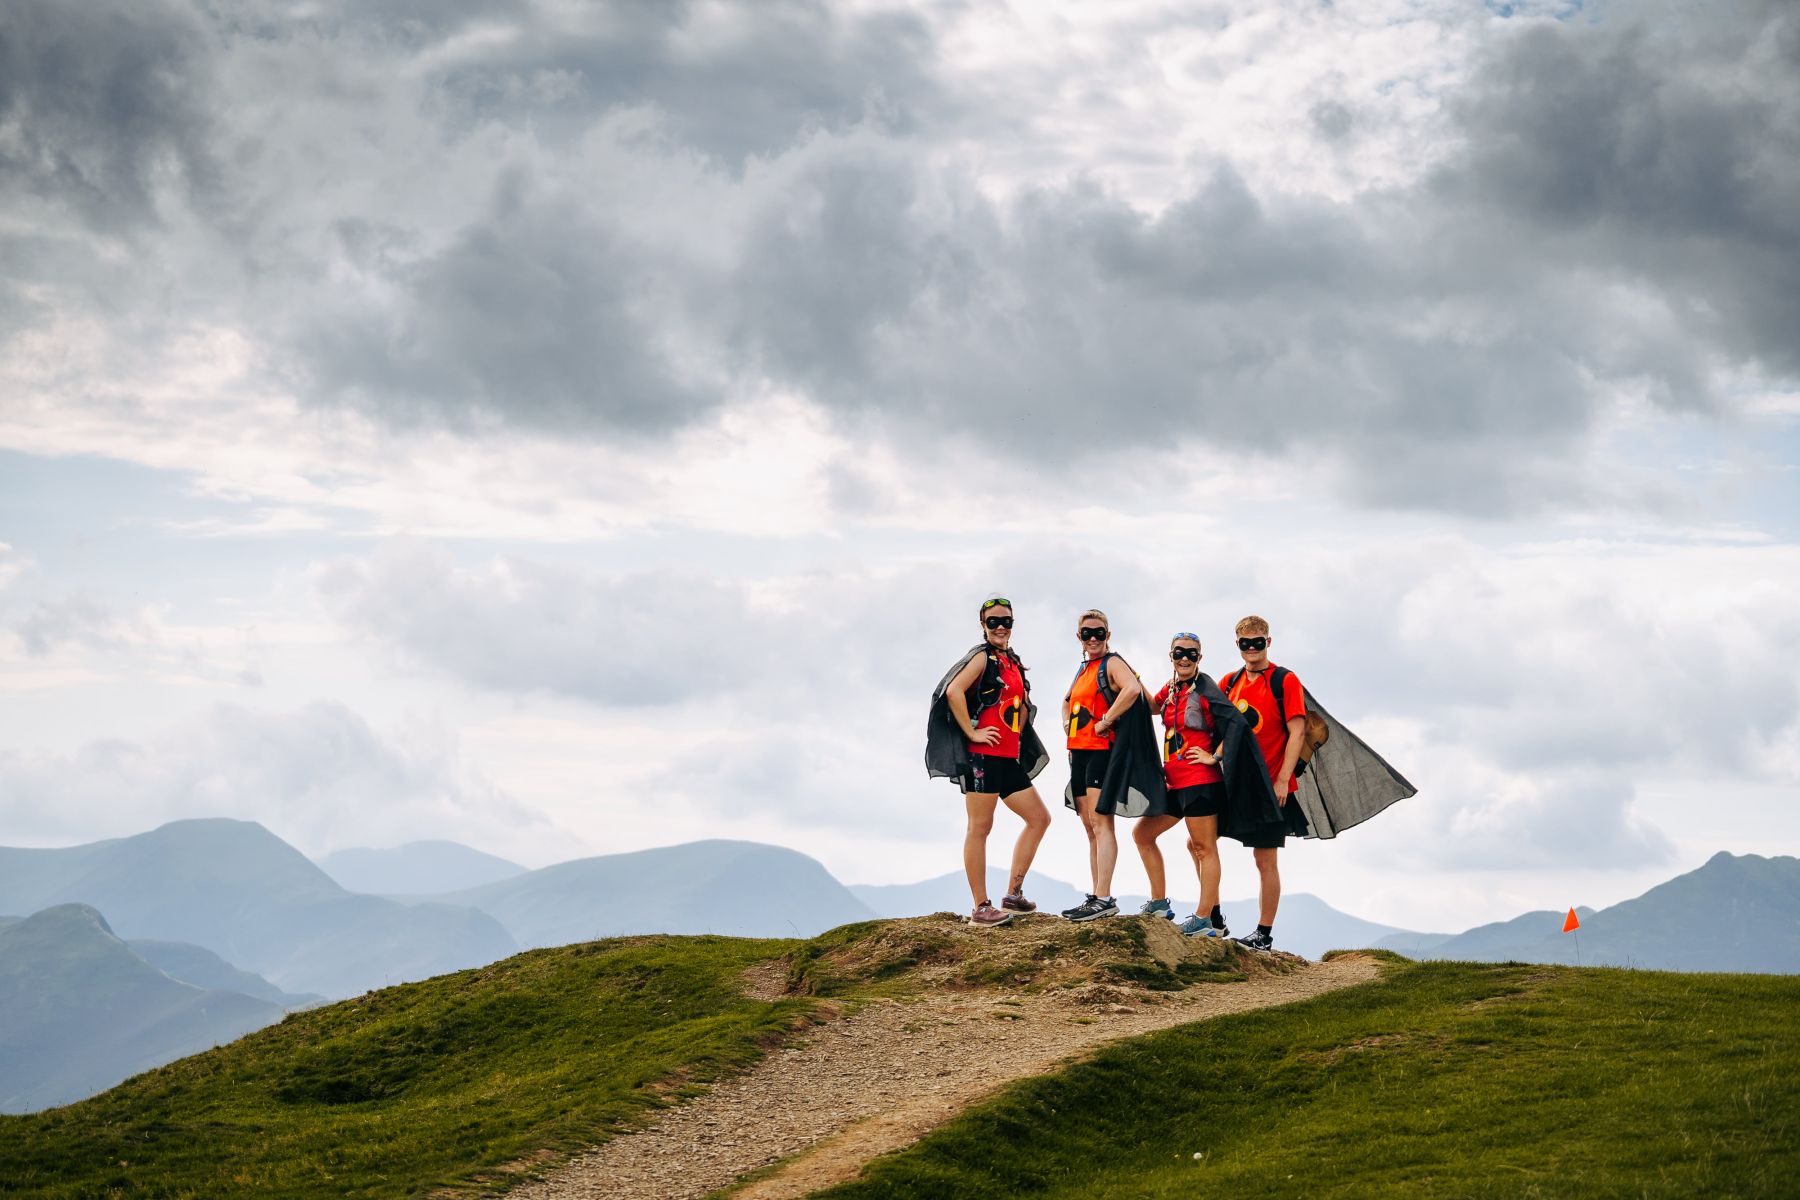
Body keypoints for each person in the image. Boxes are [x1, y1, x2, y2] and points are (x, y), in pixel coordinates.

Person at [926, 596, 1053, 927]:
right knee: (980, 828)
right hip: (983, 757)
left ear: (1013, 624)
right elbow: (953, 691)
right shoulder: (981, 657)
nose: (1000, 627)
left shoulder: (1010, 660)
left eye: (1006, 621)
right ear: (982, 625)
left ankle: (1013, 894)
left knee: (1039, 818)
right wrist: (972, 732)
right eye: (993, 621)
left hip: (1007, 758)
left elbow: (1021, 706)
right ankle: (981, 907)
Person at [1218, 615, 1311, 951]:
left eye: (1258, 642)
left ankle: (1263, 934)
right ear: (1238, 645)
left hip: (1272, 784)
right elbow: (1221, 728)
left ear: (1268, 642)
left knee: (1264, 858)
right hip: (1236, 784)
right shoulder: (1229, 682)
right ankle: (1211, 917)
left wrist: (1284, 779)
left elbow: (1298, 730)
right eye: (1246, 643)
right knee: (1198, 841)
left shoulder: (1284, 680)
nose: (1252, 649)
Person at [1132, 633, 1231, 938]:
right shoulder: (1174, 686)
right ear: (1171, 655)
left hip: (1201, 780)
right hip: (1174, 783)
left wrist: (1214, 756)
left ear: (1200, 658)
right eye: (1179, 653)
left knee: (1203, 847)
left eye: (1191, 654)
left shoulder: (1206, 688)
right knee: (1143, 834)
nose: (1184, 659)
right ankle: (1160, 902)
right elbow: (1151, 706)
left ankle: (1205, 919)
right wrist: (1131, 680)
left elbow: (1237, 724)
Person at [1058, 609, 1152, 922]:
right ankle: (1096, 894)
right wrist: (1067, 725)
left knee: (1101, 823)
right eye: (1088, 633)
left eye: (1100, 632)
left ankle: (1104, 897)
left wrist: (1106, 720)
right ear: (1079, 637)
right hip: (1079, 751)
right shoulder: (1085, 668)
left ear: (1108, 635)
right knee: (1089, 826)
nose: (1094, 638)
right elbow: (1068, 700)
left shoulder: (1113, 662)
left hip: (1101, 751)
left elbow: (1133, 689)